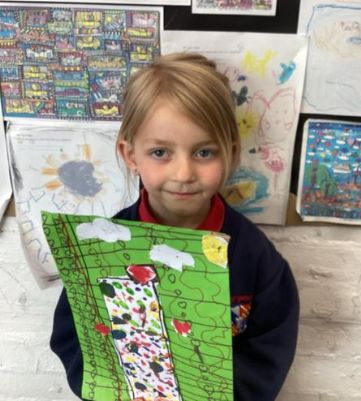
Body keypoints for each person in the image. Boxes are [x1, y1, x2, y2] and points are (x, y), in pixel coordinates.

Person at [50, 53, 299, 401]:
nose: (183, 174)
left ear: (230, 152)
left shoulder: (255, 257)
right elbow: (72, 337)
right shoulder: (99, 248)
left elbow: (269, 353)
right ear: (131, 155)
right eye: (160, 153)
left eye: (204, 153)